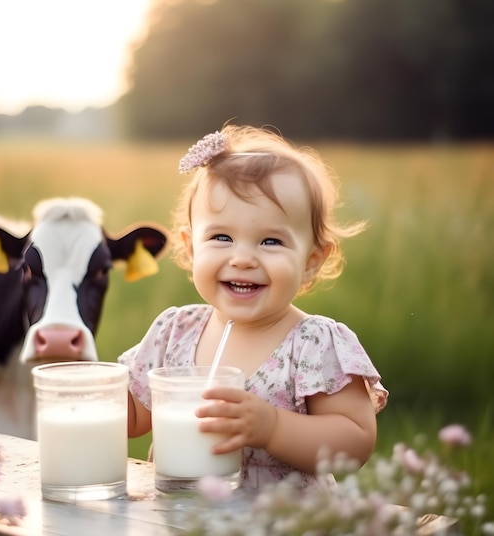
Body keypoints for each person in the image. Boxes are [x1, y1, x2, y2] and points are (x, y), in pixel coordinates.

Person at [118, 124, 388, 487]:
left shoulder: (313, 343)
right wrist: (89, 391)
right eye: (222, 237)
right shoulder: (175, 332)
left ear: (311, 260)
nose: (242, 258)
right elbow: (133, 416)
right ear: (192, 246)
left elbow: (354, 442)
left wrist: (272, 427)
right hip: (179, 525)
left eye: (271, 241)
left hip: (281, 532)